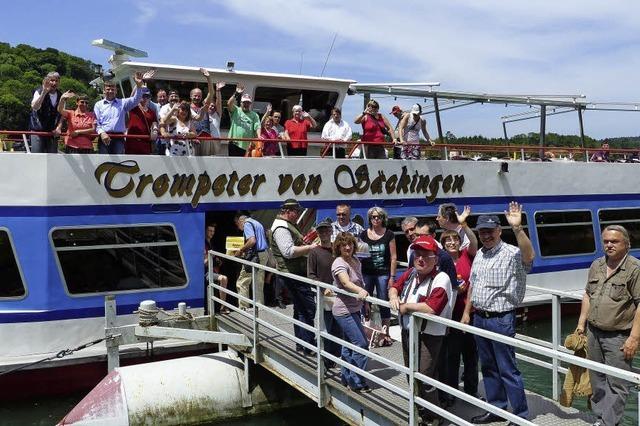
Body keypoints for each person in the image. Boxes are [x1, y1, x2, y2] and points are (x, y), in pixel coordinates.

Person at [461, 202, 535, 424]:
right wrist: (467, 313)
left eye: (490, 231)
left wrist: (518, 228)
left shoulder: (512, 253)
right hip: (479, 317)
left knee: (507, 369)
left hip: (501, 319)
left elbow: (529, 257)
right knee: (489, 367)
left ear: (499, 231)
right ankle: (497, 408)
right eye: (482, 231)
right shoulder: (480, 255)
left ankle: (519, 415)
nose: (486, 235)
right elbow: (473, 286)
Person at [575, 225, 640, 426]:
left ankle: (608, 423)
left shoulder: (634, 269)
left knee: (618, 383)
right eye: (606, 241)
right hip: (594, 332)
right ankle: (602, 418)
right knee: (597, 379)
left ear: (627, 244)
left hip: (619, 336)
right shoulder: (597, 265)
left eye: (614, 241)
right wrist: (580, 324)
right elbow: (588, 294)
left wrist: (634, 338)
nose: (609, 245)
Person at [389, 235, 454, 425]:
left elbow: (432, 308)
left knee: (425, 376)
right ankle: (420, 411)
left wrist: (406, 307)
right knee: (411, 374)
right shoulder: (410, 273)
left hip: (429, 336)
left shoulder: (442, 279)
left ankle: (434, 416)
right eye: (417, 254)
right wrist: (394, 296)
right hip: (409, 332)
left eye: (425, 255)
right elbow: (395, 287)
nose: (420, 259)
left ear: (435, 258)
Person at [439, 209, 480, 403]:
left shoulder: (466, 256)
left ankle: (471, 391)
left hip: (468, 313)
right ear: (443, 244)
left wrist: (463, 224)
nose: (452, 243)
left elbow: (473, 242)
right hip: (450, 315)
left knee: (471, 355)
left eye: (455, 240)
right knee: (451, 356)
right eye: (448, 241)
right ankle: (452, 393)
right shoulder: (441, 262)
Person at [270, 199, 318, 354]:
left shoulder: (286, 225)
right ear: (287, 211)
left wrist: (303, 242)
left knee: (300, 309)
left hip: (294, 273)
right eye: (296, 211)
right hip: (292, 274)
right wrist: (310, 247)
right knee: (309, 308)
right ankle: (308, 344)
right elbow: (288, 252)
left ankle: (302, 344)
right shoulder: (281, 227)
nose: (298, 214)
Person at [331, 232, 370, 391]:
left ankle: (346, 377)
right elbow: (346, 283)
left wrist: (365, 302)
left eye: (350, 244)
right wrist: (360, 291)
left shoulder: (355, 260)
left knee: (348, 345)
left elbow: (360, 281)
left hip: (355, 308)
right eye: (343, 245)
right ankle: (357, 382)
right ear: (338, 247)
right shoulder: (338, 263)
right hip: (343, 310)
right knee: (361, 345)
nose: (347, 247)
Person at [307, 219, 343, 369]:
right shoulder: (314, 252)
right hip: (324, 296)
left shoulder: (337, 249)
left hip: (340, 294)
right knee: (326, 328)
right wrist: (323, 289)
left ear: (330, 232)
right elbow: (310, 275)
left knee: (339, 328)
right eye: (321, 231)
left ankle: (335, 358)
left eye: (326, 230)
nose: (324, 233)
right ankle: (326, 360)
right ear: (318, 233)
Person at [359, 206, 397, 345]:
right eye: (373, 217)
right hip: (367, 272)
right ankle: (366, 331)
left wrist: (392, 277)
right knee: (365, 300)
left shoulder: (389, 234)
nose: (376, 219)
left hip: (383, 273)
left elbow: (393, 257)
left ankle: (385, 333)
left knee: (383, 301)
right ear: (370, 218)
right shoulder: (363, 234)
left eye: (379, 217)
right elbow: (359, 256)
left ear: (383, 219)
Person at [94, 70, 155, 154]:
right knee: (104, 163)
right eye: (108, 89)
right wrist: (102, 133)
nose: (110, 91)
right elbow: (96, 122)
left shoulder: (122, 103)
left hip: (119, 138)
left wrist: (138, 85)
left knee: (119, 164)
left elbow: (136, 99)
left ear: (116, 91)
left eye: (113, 89)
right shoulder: (98, 105)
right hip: (104, 137)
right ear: (104, 91)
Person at [234, 214, 269, 310]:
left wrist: (241, 250)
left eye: (237, 224)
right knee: (258, 281)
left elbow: (252, 241)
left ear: (240, 221)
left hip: (255, 256)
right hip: (264, 254)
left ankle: (243, 307)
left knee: (242, 281)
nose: (238, 227)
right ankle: (259, 306)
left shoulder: (247, 224)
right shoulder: (257, 223)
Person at [30, 71, 62, 153]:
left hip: (52, 132)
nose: (54, 83)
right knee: (37, 157)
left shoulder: (60, 95)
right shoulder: (39, 91)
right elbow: (35, 107)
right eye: (52, 80)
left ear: (59, 82)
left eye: (56, 81)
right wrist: (44, 92)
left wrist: (59, 128)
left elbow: (61, 114)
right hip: (38, 130)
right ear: (47, 81)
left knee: (52, 158)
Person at [191, 68, 219, 156]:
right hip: (193, 138)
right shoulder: (187, 107)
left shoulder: (204, 104)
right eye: (195, 96)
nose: (197, 98)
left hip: (206, 139)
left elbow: (211, 92)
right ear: (190, 96)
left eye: (199, 96)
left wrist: (208, 77)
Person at [227, 84, 261, 157]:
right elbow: (229, 103)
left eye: (248, 102)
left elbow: (257, 126)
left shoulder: (255, 115)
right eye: (244, 102)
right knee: (234, 165)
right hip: (234, 143)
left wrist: (259, 136)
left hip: (247, 146)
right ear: (241, 103)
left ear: (250, 104)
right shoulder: (236, 110)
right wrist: (236, 93)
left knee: (244, 166)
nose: (246, 104)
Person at [125, 87, 158, 155]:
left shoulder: (152, 112)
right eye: (143, 96)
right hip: (132, 142)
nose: (145, 98)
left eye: (147, 96)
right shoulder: (133, 107)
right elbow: (131, 98)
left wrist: (155, 131)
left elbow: (154, 124)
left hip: (145, 143)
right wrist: (138, 85)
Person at [204, 223, 229, 314]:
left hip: (213, 270)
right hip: (205, 273)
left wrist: (218, 260)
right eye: (210, 231)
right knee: (223, 278)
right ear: (205, 231)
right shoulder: (202, 243)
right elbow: (204, 263)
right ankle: (223, 307)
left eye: (213, 231)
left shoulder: (211, 243)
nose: (212, 233)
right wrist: (211, 256)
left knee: (225, 276)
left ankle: (222, 306)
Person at [157, 90, 180, 155]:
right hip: (166, 141)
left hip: (180, 140)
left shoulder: (183, 107)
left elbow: (196, 118)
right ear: (168, 98)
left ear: (179, 98)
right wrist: (173, 110)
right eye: (171, 96)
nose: (174, 98)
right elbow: (162, 122)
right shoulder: (164, 108)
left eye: (176, 96)